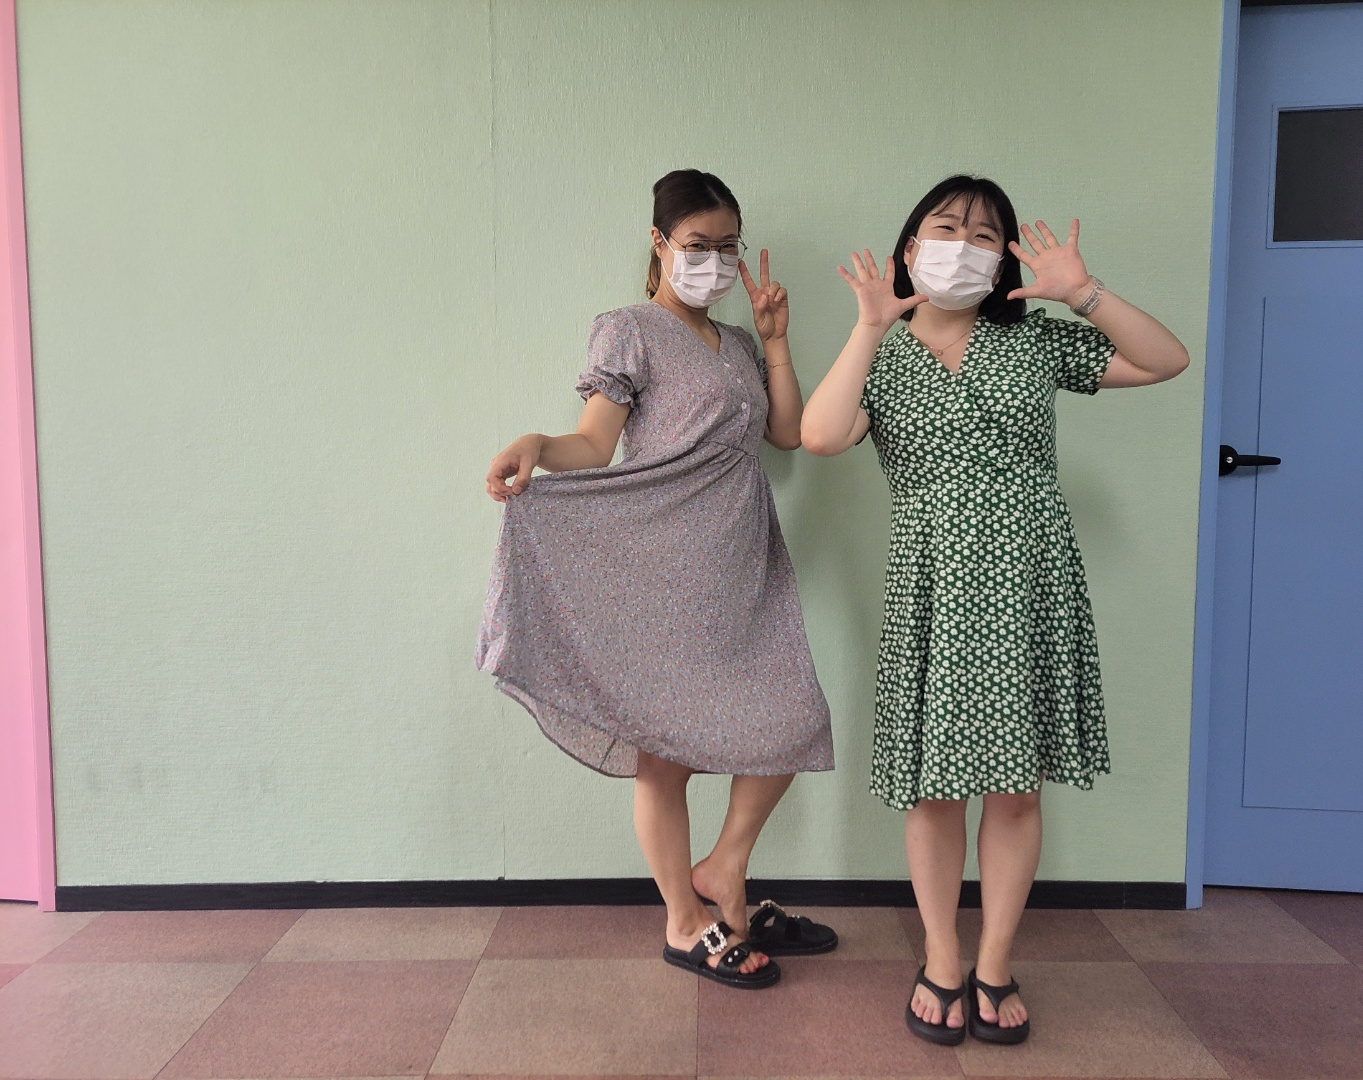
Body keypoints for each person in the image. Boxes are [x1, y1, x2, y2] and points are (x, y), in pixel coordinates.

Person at [801, 175, 1189, 1042]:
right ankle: (942, 956)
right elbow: (821, 435)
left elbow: (1166, 360)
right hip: (932, 584)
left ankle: (995, 961)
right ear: (910, 248)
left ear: (1006, 256)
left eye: (984, 235)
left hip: (1029, 579)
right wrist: (868, 326)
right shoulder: (881, 352)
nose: (962, 247)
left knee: (1016, 790)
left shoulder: (1035, 340)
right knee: (936, 792)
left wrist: (1085, 293)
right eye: (945, 229)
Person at [478, 169, 837, 989]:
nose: (713, 262)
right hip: (663, 563)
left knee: (791, 719)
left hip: (744, 562)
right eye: (697, 245)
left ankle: (724, 873)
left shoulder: (738, 344)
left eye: (727, 247)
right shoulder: (630, 330)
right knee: (665, 756)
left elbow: (785, 434)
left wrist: (776, 340)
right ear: (660, 243)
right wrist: (539, 445)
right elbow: (593, 445)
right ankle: (684, 920)